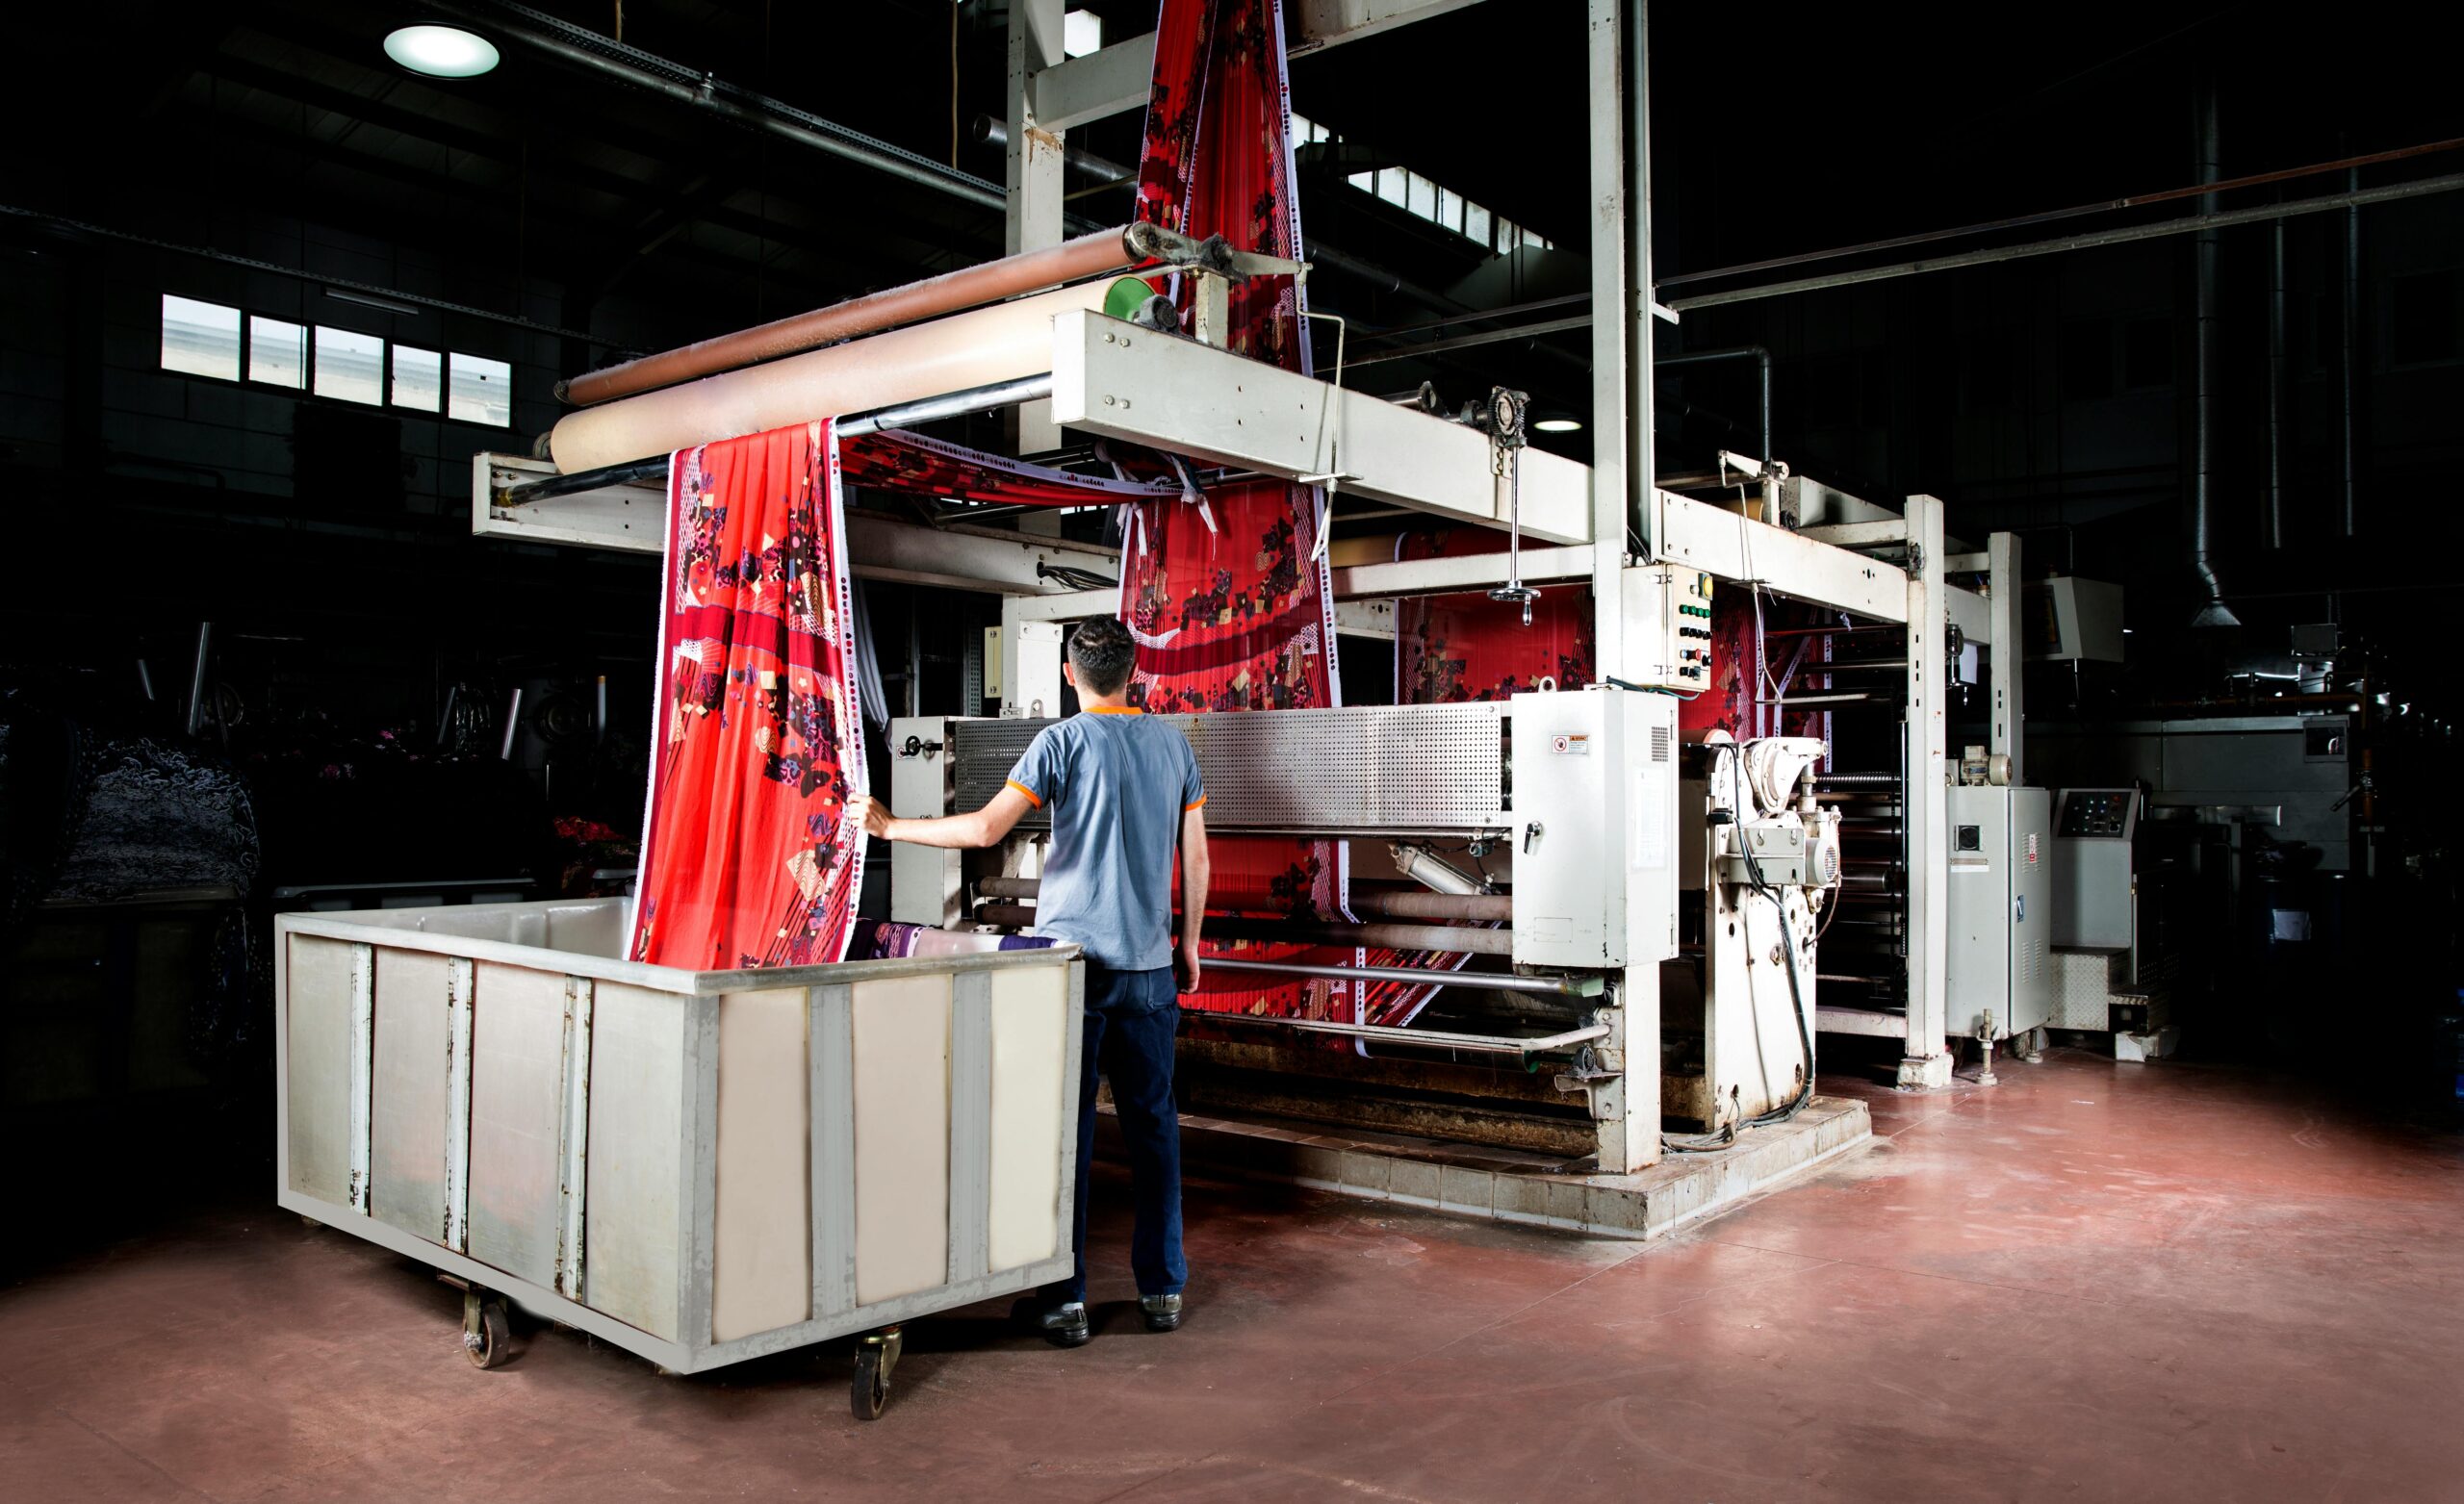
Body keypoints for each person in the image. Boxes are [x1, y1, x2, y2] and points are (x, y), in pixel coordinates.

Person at [847, 615, 1208, 1347]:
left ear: (1070, 676)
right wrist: (1190, 946)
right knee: (1154, 1131)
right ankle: (1163, 1287)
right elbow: (1196, 860)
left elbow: (985, 832)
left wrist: (888, 827)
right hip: (1149, 971)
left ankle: (1065, 1298)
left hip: (1072, 971)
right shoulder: (1175, 746)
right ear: (1134, 673)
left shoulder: (1062, 741)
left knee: (1063, 1135)